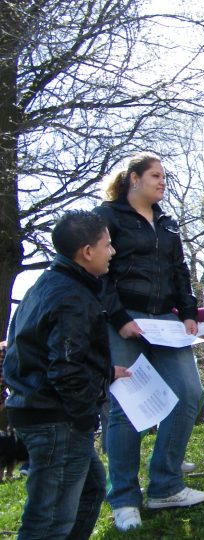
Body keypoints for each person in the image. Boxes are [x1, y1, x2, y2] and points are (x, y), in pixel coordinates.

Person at [93, 152, 204, 531]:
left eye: (164, 177)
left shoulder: (167, 223)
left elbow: (179, 271)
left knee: (189, 394)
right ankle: (124, 498)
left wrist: (189, 311)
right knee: (128, 410)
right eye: (156, 175)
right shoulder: (107, 217)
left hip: (165, 324)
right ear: (134, 179)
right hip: (124, 322)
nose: (163, 182)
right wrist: (120, 319)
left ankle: (165, 485)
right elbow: (100, 274)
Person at [3, 210, 131, 540]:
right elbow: (66, 371)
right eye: (107, 244)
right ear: (87, 252)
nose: (112, 251)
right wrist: (83, 417)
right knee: (50, 519)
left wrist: (104, 371)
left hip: (42, 409)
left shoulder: (46, 284)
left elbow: (44, 352)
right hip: (55, 418)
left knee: (90, 490)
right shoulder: (72, 296)